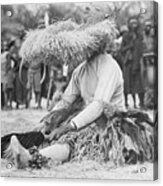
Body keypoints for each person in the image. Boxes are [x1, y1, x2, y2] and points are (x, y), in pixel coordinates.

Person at [43, 49, 125, 141]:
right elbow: (66, 102)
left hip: (112, 127)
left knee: (68, 143)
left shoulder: (109, 66)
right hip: (88, 124)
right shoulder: (79, 70)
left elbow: (99, 105)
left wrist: (67, 127)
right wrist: (47, 121)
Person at [120, 17, 145, 108]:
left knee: (139, 84)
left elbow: (142, 49)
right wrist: (129, 46)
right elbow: (121, 50)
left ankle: (141, 103)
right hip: (128, 63)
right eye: (132, 23)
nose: (134, 25)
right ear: (129, 25)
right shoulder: (126, 36)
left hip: (137, 63)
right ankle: (126, 102)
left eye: (135, 23)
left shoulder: (139, 36)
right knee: (127, 84)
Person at [1, 40, 16, 109]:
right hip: (2, 74)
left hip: (7, 73)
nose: (5, 47)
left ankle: (8, 104)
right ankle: (6, 104)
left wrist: (12, 69)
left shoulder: (8, 54)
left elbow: (14, 62)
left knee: (8, 89)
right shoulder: (2, 54)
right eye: (4, 45)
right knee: (4, 90)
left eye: (6, 45)